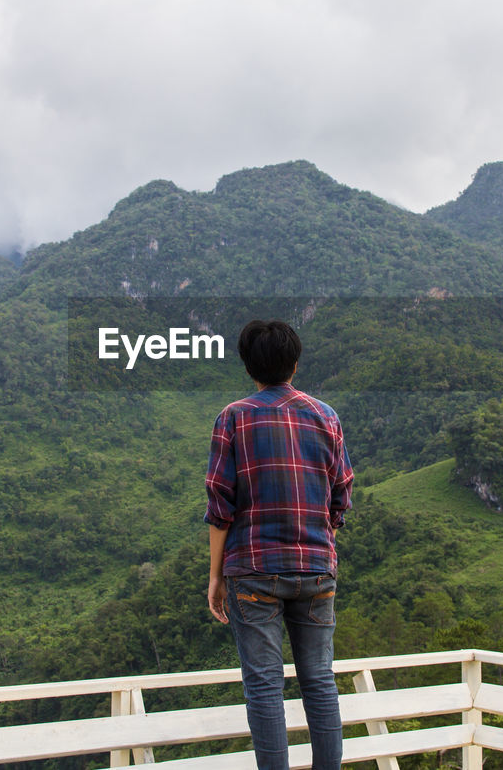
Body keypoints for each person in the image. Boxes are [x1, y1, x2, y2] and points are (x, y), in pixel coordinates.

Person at [204, 319, 354, 770]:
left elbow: (220, 505)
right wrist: (316, 542)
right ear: (295, 361)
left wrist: (215, 577)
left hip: (252, 571)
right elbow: (341, 494)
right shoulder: (326, 415)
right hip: (316, 569)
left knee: (265, 687)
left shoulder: (233, 417)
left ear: (249, 366)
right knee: (319, 682)